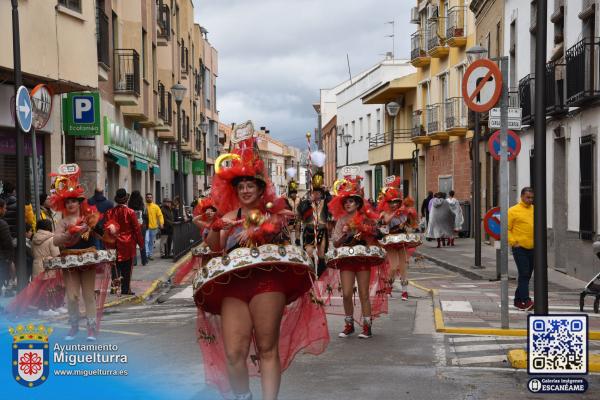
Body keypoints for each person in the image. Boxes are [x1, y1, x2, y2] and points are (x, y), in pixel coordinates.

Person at [199, 131, 329, 400]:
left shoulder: (274, 213)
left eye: (251, 185)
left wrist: (262, 227)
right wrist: (215, 226)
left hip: (268, 282)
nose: (246, 190)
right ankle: (243, 396)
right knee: (234, 352)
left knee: (267, 347)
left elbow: (285, 225)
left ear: (260, 189)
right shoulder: (227, 216)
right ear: (235, 190)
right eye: (241, 186)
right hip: (233, 285)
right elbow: (214, 247)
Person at [50, 165, 111, 341]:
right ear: (64, 204)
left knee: (88, 295)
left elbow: (102, 234)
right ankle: (74, 326)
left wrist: (107, 228)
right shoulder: (62, 222)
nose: (70, 204)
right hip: (69, 262)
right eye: (68, 201)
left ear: (79, 202)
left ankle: (91, 328)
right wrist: (69, 232)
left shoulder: (88, 218)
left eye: (73, 201)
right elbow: (55, 240)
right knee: (72, 296)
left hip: (87, 260)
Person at [327, 175, 384, 339]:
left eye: (351, 201)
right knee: (346, 293)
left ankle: (367, 326)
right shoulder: (340, 221)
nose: (348, 203)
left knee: (364, 293)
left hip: (362, 260)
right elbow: (336, 243)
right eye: (345, 201)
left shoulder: (366, 219)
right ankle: (349, 324)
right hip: (346, 261)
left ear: (358, 203)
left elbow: (377, 236)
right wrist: (345, 235)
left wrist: (367, 231)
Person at [377, 177, 420, 301]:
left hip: (401, 241)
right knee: (393, 266)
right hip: (390, 241)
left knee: (403, 266)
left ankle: (404, 291)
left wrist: (410, 215)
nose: (394, 204)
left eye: (396, 201)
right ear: (387, 202)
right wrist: (393, 215)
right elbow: (383, 223)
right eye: (391, 202)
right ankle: (389, 287)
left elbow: (413, 224)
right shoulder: (384, 214)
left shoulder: (403, 212)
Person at [103, 188, 145, 296]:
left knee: (115, 266)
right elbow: (136, 229)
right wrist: (141, 244)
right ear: (126, 200)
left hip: (113, 243)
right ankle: (125, 289)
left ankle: (115, 287)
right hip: (127, 243)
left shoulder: (109, 212)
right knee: (127, 267)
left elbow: (106, 229)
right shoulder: (130, 212)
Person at [297, 170, 330, 276]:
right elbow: (301, 212)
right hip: (309, 230)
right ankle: (310, 275)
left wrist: (327, 192)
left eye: (318, 192)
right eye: (314, 192)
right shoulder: (306, 203)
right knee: (309, 252)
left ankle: (321, 275)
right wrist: (308, 202)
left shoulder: (325, 202)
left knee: (321, 254)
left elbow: (333, 202)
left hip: (321, 230)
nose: (316, 194)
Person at [508, 187, 535, 311]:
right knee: (524, 273)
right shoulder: (513, 211)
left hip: (533, 247)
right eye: (528, 197)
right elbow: (506, 228)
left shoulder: (534, 210)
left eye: (532, 198)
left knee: (527, 275)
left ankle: (517, 301)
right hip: (520, 248)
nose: (530, 200)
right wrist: (514, 242)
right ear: (522, 196)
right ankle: (526, 300)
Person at [31, 218, 64, 316]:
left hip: (37, 264)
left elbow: (33, 252)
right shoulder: (52, 238)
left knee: (40, 287)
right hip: (48, 264)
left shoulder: (34, 238)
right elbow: (56, 254)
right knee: (50, 287)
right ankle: (49, 308)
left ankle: (42, 309)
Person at [0, 198, 14, 297]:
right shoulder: (2, 224)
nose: (6, 210)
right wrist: (9, 260)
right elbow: (8, 244)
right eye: (4, 208)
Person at [144, 192, 163, 261]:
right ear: (145, 198)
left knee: (151, 241)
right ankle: (146, 254)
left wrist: (161, 223)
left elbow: (160, 215)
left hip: (153, 227)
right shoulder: (144, 206)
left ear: (152, 198)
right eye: (148, 197)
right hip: (145, 227)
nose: (149, 198)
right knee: (146, 241)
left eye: (150, 197)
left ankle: (150, 255)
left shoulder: (155, 206)